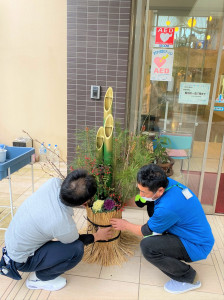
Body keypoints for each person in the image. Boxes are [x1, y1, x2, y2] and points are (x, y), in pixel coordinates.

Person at [0, 169, 112, 291]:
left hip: (13, 241)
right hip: (20, 260)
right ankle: (39, 278)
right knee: (76, 249)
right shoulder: (61, 222)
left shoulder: (53, 183)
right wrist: (98, 236)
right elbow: (76, 240)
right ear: (84, 203)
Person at [110, 164, 214, 294]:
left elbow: (144, 231)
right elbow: (146, 200)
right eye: (139, 189)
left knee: (148, 246)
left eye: (143, 192)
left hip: (196, 244)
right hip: (195, 233)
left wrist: (125, 225)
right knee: (152, 207)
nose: (140, 194)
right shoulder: (168, 183)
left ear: (159, 191)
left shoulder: (167, 207)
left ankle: (188, 278)